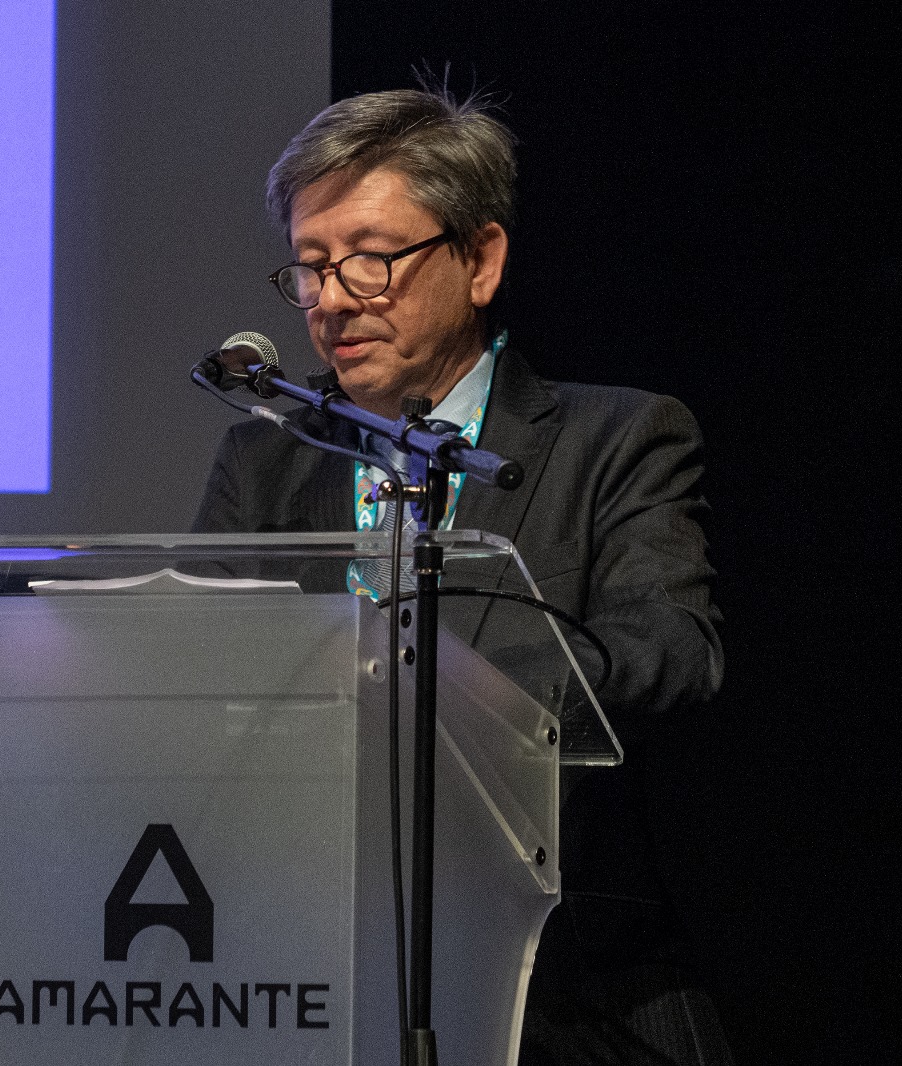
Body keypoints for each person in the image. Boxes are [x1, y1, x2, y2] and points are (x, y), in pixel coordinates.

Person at [192, 85, 731, 1066]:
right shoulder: (263, 462)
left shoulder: (619, 438)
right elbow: (199, 683)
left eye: (367, 258)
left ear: (479, 259)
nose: (331, 299)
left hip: (568, 998)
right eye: (309, 269)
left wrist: (422, 684)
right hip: (305, 989)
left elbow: (672, 655)